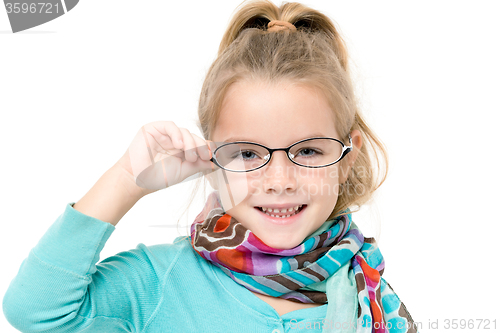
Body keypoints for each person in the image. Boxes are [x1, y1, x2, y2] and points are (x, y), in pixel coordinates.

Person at [2, 0, 418, 332]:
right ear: (212, 159)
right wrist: (126, 180)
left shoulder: (377, 303)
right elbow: (37, 311)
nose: (279, 181)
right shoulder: (160, 283)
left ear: (348, 158)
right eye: (248, 153)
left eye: (308, 151)